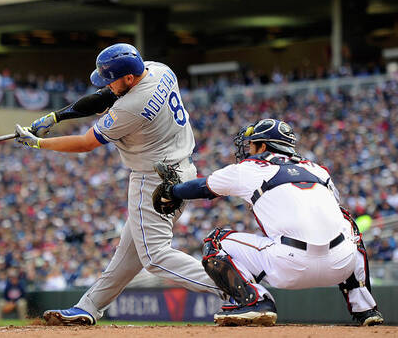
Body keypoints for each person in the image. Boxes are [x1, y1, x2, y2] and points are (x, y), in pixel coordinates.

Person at [15, 43, 222, 326]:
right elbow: (103, 97)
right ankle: (88, 307)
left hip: (154, 180)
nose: (107, 85)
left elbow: (86, 143)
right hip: (179, 169)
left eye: (111, 78)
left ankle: (234, 288)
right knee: (130, 255)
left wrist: (39, 143)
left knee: (155, 256)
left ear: (128, 78)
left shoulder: (132, 107)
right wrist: (57, 116)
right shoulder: (159, 70)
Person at [153, 118, 383, 326]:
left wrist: (172, 191)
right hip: (339, 265)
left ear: (263, 146)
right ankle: (365, 308)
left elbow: (203, 187)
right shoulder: (318, 170)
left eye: (252, 144)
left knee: (215, 241)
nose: (249, 149)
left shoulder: (251, 168)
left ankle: (255, 300)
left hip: (289, 267)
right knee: (348, 224)